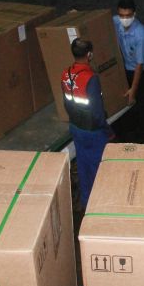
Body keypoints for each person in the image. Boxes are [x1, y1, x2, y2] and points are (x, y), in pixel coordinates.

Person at [62, 38, 114, 209]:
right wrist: (107, 129)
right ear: (89, 54)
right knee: (100, 167)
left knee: (83, 164)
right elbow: (97, 112)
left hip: (76, 127)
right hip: (93, 131)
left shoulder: (66, 74)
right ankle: (102, 204)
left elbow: (67, 103)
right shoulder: (90, 78)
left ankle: (86, 202)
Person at [113, 0, 144, 108]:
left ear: (134, 14)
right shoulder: (117, 21)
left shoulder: (141, 34)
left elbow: (140, 65)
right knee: (129, 101)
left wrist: (133, 90)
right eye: (121, 15)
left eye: (128, 16)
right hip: (129, 67)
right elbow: (102, 20)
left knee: (142, 101)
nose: (124, 19)